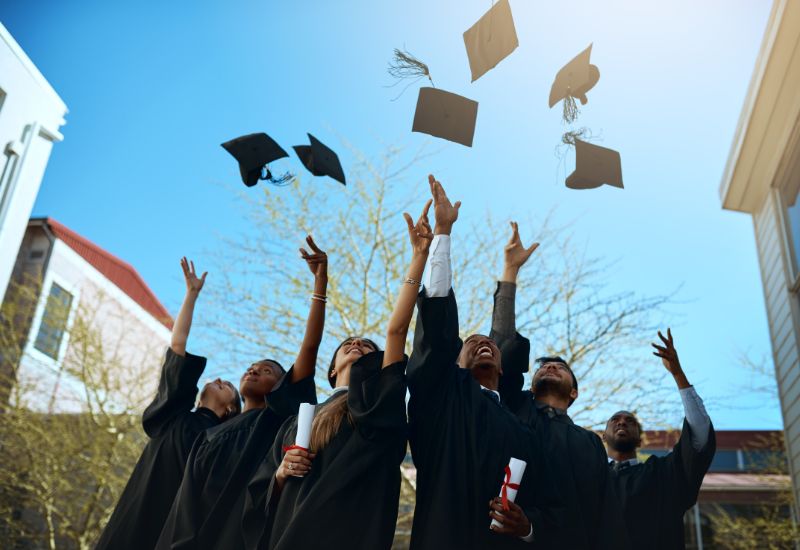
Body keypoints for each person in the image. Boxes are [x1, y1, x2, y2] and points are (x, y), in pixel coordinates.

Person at [242, 198, 435, 550]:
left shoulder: (378, 405)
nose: (358, 344)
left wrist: (419, 256)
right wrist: (284, 472)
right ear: (331, 369)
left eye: (366, 345)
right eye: (349, 342)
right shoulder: (297, 422)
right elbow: (260, 497)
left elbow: (396, 331)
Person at [407, 176, 561, 550]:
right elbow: (437, 329)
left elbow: (542, 502)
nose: (482, 344)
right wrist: (443, 233)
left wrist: (526, 526)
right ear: (452, 363)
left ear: (504, 368)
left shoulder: (524, 429)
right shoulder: (441, 399)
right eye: (470, 344)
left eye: (488, 343)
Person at [155, 236, 326, 550]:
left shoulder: (275, 420)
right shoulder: (207, 436)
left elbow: (309, 349)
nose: (254, 370)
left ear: (281, 385)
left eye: (267, 370)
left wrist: (320, 286)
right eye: (251, 366)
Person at [491, 223, 628, 549]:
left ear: (574, 392)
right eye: (543, 367)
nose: (550, 366)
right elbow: (503, 345)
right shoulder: (511, 406)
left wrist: (531, 527)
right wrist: (510, 272)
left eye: (561, 367)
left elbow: (600, 514)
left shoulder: (590, 445)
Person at [95, 258, 240, 550]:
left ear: (231, 410)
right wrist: (191, 296)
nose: (221, 378)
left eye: (229, 387)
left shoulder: (224, 441)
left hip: (177, 532)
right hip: (133, 520)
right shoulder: (173, 416)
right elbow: (178, 346)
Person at [603, 329, 715, 550]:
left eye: (630, 421)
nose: (622, 422)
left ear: (640, 440)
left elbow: (699, 439)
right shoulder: (590, 478)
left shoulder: (662, 474)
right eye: (615, 419)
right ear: (603, 436)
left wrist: (678, 374)